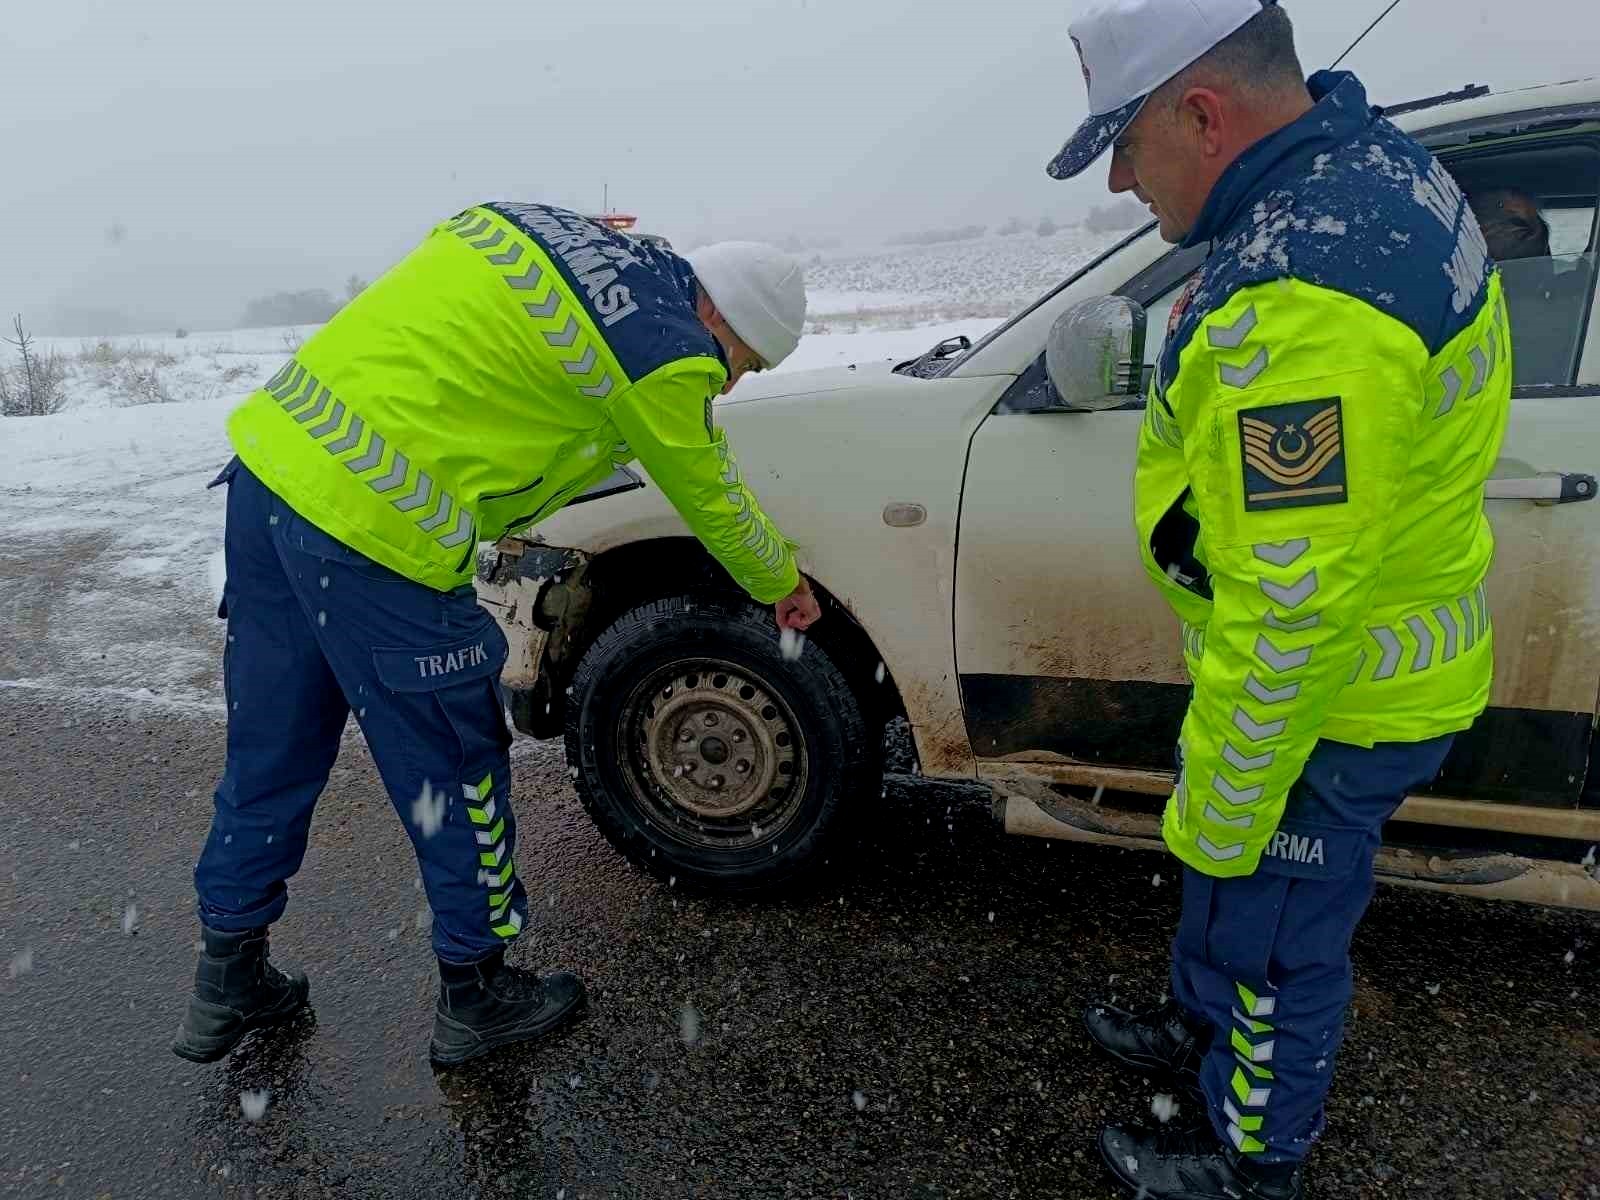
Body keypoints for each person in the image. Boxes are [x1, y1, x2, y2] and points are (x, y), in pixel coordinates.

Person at [172, 204, 821, 1068]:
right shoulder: (666, 351)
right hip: (373, 535)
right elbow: (708, 490)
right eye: (742, 362)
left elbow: (469, 228)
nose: (728, 383)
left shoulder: (535, 225)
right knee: (454, 764)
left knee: (272, 744)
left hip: (270, 476)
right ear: (720, 321)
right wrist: (781, 582)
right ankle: (477, 993)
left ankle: (228, 976)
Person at [1045, 2, 1511, 1197]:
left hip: (1330, 692)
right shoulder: (1363, 172)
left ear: (1201, 113)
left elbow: (1293, 608)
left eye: (1124, 143)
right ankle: (1200, 1033)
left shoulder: (1309, 302)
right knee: (1237, 886)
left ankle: (1250, 1157)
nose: (1115, 179)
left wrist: (1219, 802)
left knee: (1274, 929)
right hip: (1337, 664)